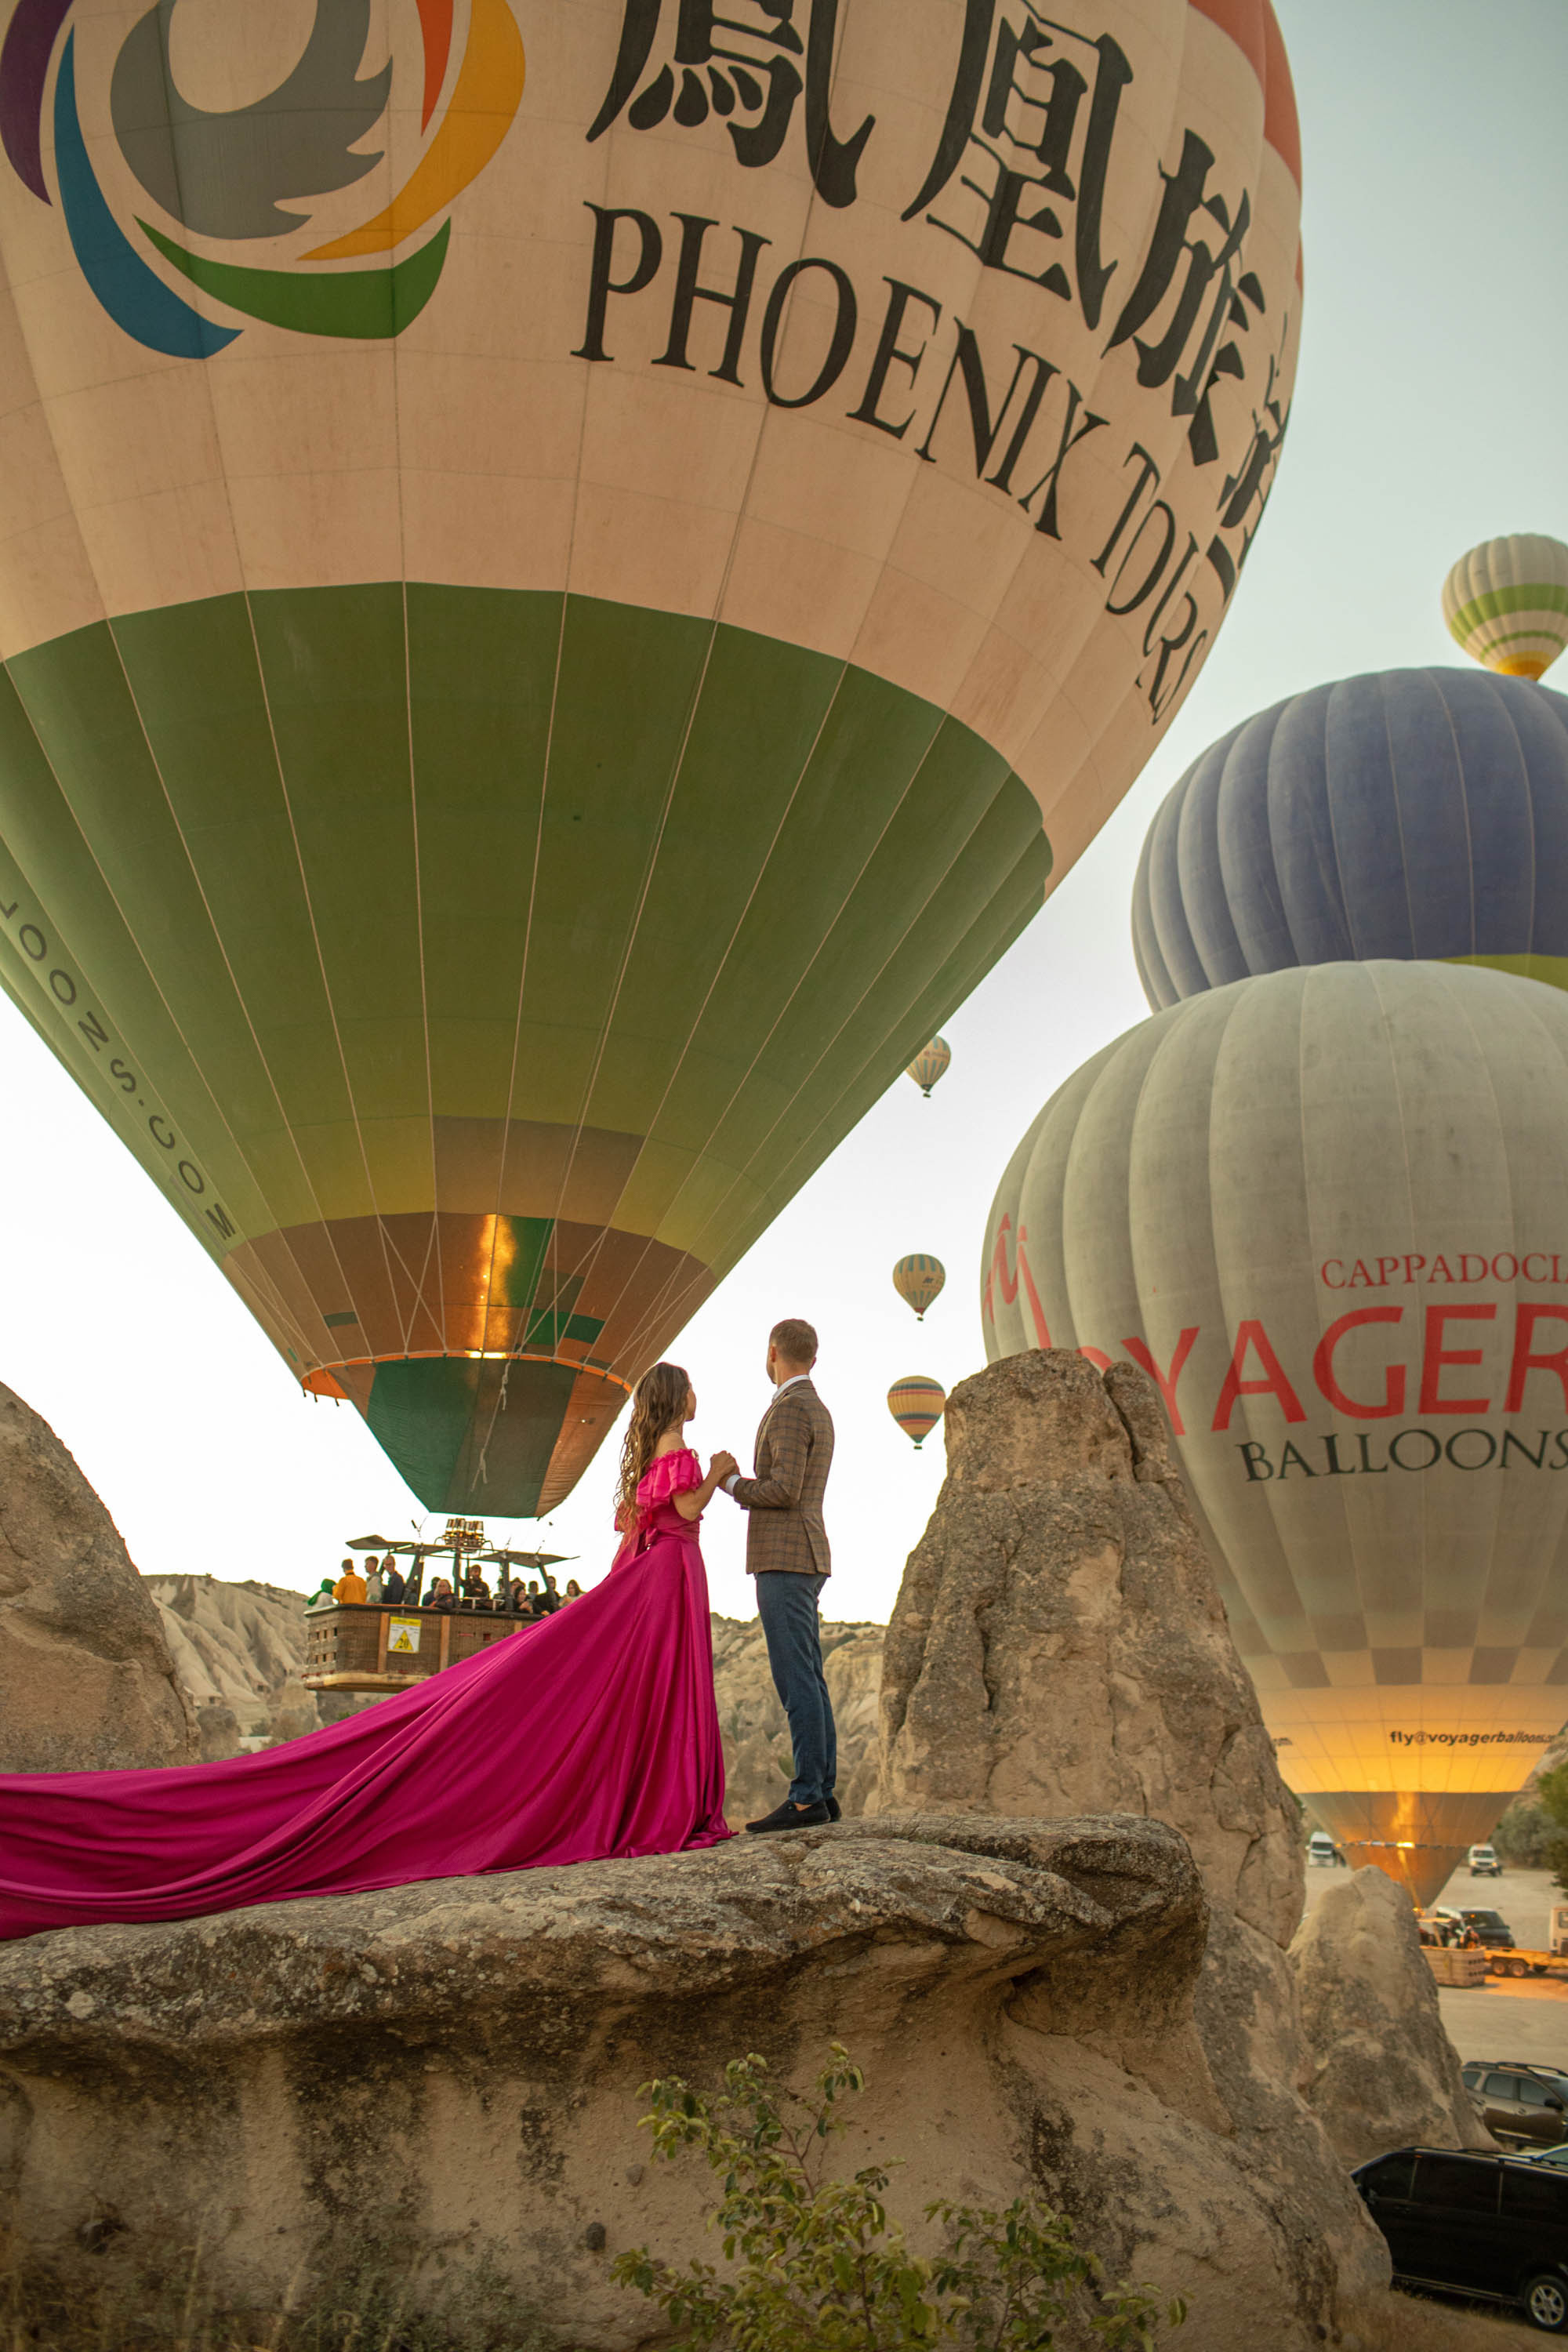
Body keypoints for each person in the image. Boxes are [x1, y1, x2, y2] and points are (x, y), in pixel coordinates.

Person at [0, 1360, 733, 1943]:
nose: (699, 1393)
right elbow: (685, 1511)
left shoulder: (650, 1454)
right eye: (693, 1386)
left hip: (654, 1575)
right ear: (677, 1398)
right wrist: (724, 1469)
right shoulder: (681, 1451)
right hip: (665, 1577)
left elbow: (647, 1521)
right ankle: (661, 1797)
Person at [719, 1317, 838, 1833]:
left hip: (786, 1558)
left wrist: (729, 1483)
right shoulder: (816, 1407)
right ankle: (823, 1793)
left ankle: (808, 1797)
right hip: (804, 1555)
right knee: (810, 1677)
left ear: (773, 1353)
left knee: (796, 1681)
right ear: (814, 1357)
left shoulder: (790, 1410)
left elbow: (784, 1489)